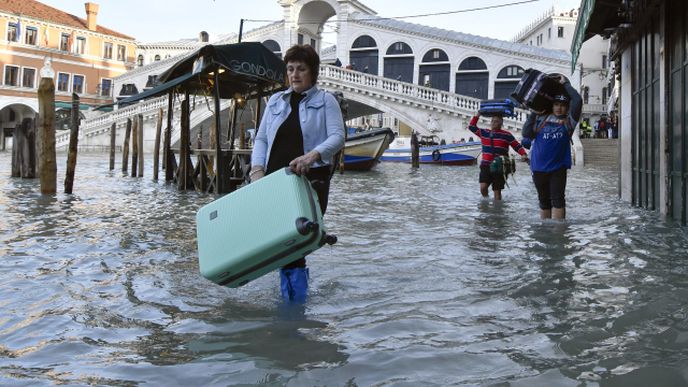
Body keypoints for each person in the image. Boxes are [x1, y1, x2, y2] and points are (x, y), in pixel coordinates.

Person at [249, 44, 345, 303]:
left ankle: (293, 308)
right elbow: (261, 139)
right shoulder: (275, 101)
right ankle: (292, 304)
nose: (294, 74)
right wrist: (256, 170)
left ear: (313, 72)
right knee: (283, 241)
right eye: (290, 69)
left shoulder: (326, 101)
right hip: (275, 181)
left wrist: (313, 155)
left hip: (311, 178)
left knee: (296, 242)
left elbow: (338, 137)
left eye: (301, 69)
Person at [521, 74, 582, 220]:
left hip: (558, 169)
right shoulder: (540, 118)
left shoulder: (569, 122)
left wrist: (565, 83)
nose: (559, 108)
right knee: (544, 202)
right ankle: (546, 233)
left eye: (562, 105)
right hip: (538, 168)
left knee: (558, 201)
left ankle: (558, 236)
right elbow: (526, 133)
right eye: (556, 104)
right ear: (552, 105)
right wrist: (533, 113)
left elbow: (578, 100)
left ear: (567, 108)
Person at [467, 112, 529, 201]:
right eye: (492, 121)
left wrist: (523, 154)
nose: (493, 123)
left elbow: (516, 146)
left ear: (501, 123)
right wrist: (478, 114)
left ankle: (497, 212)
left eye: (496, 121)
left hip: (500, 166)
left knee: (497, 191)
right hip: (486, 165)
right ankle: (486, 201)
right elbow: (471, 127)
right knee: (483, 188)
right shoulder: (484, 132)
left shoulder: (507, 135)